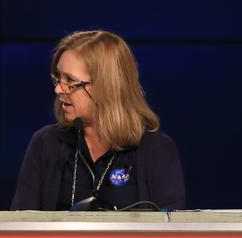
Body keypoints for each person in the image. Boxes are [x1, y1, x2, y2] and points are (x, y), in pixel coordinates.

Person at [11, 30, 184, 211]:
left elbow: (171, 230)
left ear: (105, 86)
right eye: (58, 78)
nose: (58, 90)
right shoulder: (45, 144)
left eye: (70, 81)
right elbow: (21, 225)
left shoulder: (155, 149)